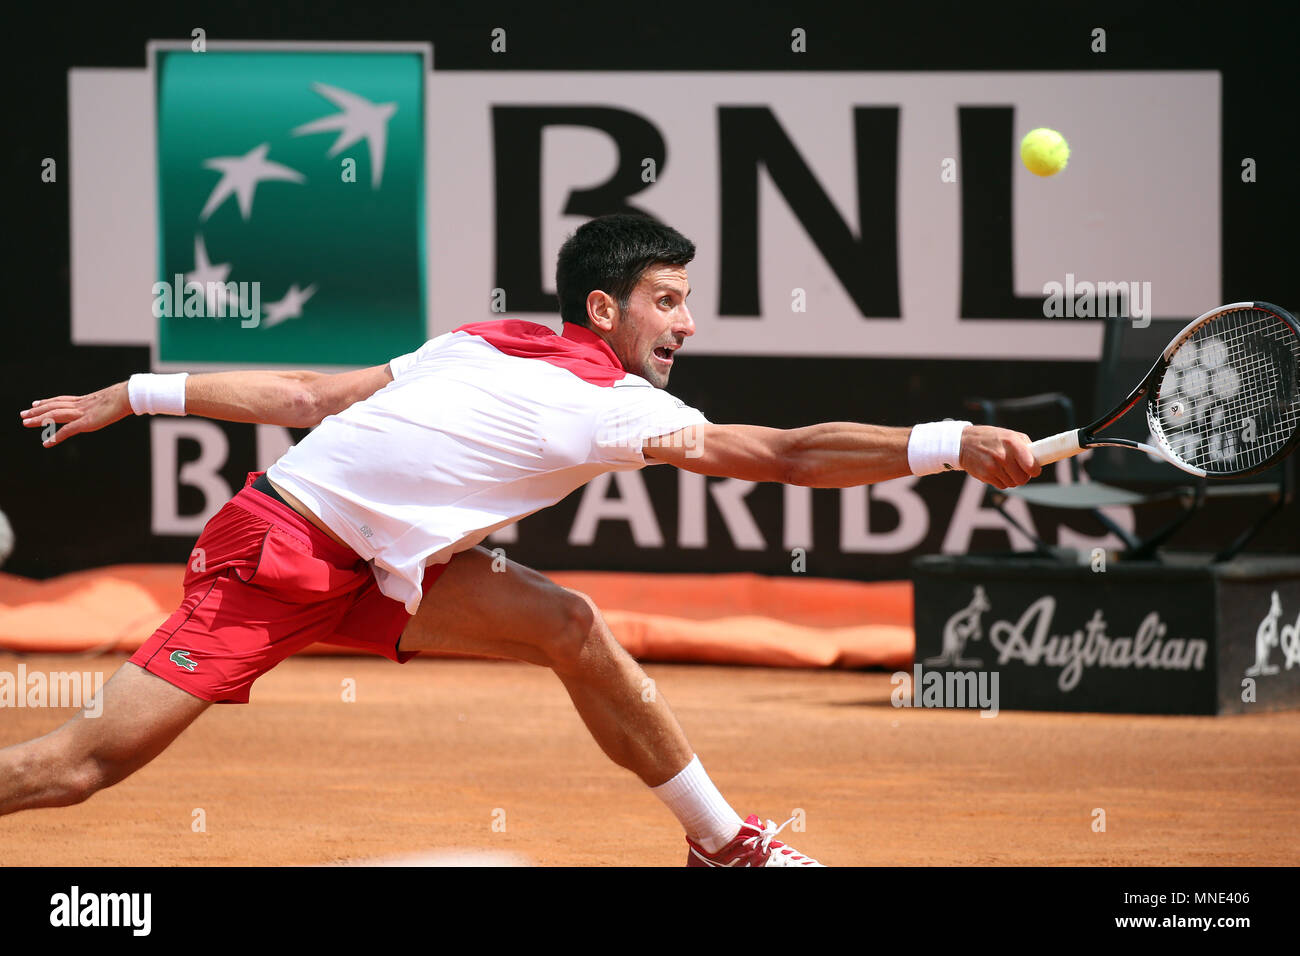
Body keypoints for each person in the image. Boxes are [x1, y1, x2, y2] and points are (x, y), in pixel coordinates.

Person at [8, 214, 1040, 866]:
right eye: (667, 302)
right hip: (275, 553)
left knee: (570, 624)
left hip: (383, 566)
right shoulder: (606, 406)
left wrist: (135, 391)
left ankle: (725, 843)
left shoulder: (482, 335)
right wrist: (944, 441)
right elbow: (781, 454)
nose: (687, 323)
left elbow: (307, 391)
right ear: (604, 305)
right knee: (80, 767)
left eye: (689, 300)